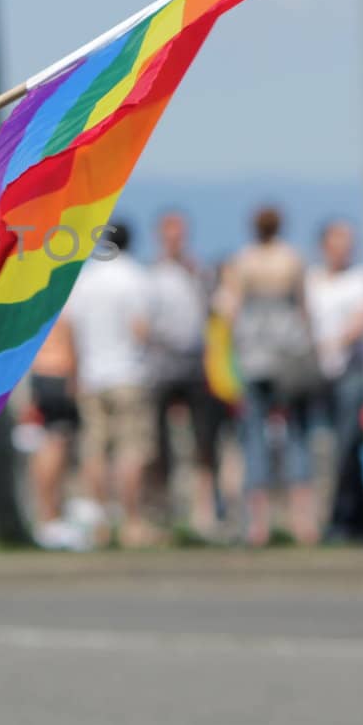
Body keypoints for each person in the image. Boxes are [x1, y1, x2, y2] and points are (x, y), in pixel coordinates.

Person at [220, 206, 319, 547]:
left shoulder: (243, 260)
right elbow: (304, 307)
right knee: (297, 435)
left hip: (253, 351)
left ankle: (256, 525)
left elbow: (231, 309)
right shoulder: (292, 258)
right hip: (289, 347)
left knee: (254, 436)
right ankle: (302, 521)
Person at [64, 221, 161, 547]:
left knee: (95, 451)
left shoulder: (86, 279)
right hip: (129, 374)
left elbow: (72, 331)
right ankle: (132, 521)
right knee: (131, 450)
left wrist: (75, 373)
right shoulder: (136, 277)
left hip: (92, 375)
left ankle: (101, 522)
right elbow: (141, 329)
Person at [143, 210, 225, 540]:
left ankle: (203, 511)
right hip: (161, 368)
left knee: (206, 442)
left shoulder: (199, 274)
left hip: (196, 367)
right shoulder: (151, 276)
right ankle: (162, 509)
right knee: (156, 443)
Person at [305, 220, 363, 542]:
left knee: (347, 447)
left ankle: (347, 517)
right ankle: (340, 516)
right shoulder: (311, 281)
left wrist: (334, 344)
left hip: (351, 374)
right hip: (317, 376)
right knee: (325, 449)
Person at [26, 316, 83, 550]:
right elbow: (70, 344)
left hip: (40, 375)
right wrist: (75, 380)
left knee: (45, 445)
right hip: (58, 375)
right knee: (56, 444)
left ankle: (47, 514)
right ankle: (50, 516)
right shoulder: (62, 302)